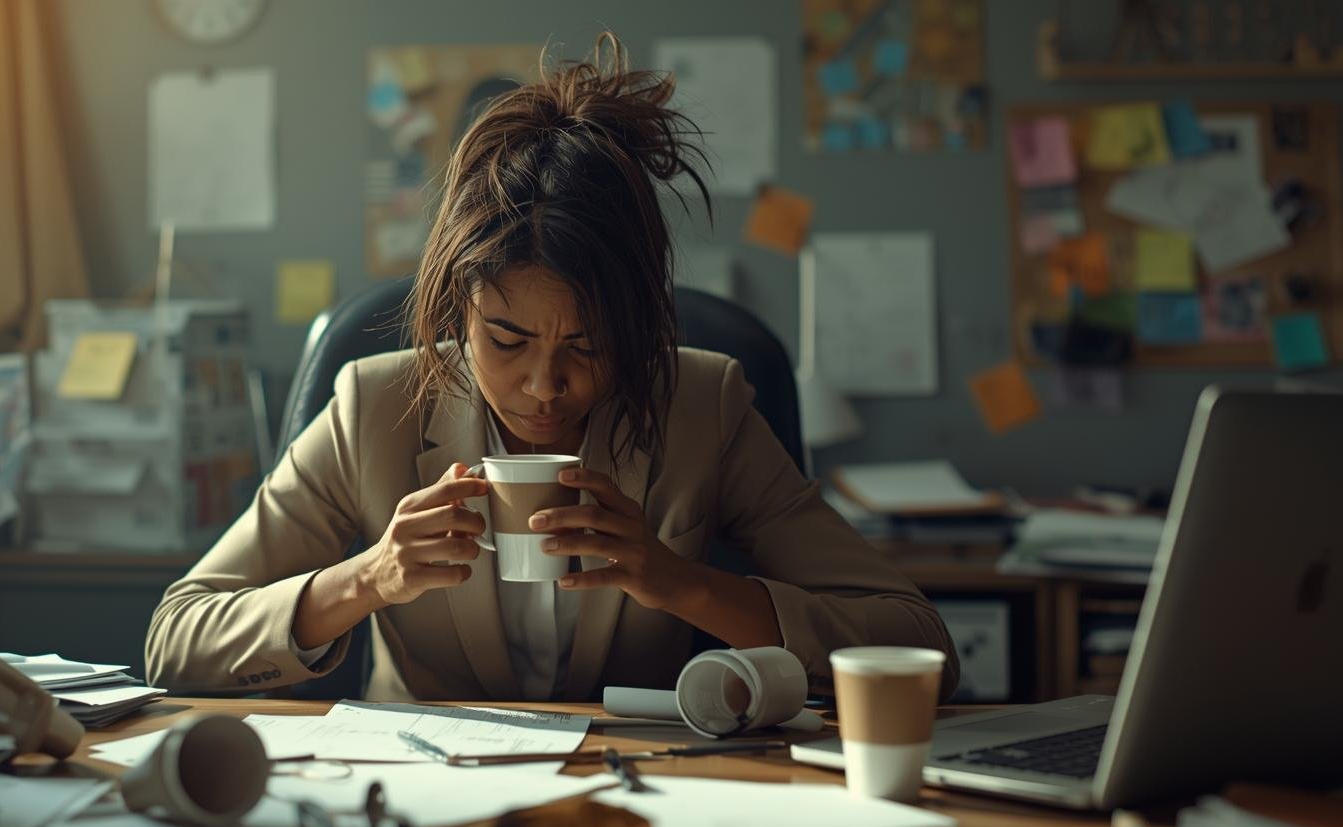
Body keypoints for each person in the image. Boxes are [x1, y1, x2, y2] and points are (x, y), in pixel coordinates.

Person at [146, 34, 959, 702]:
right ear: (458, 310)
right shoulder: (374, 406)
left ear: (636, 328)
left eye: (588, 345)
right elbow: (176, 639)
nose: (544, 386)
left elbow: (921, 643)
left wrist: (680, 584)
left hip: (641, 792)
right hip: (425, 796)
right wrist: (368, 579)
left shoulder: (701, 406)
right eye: (506, 342)